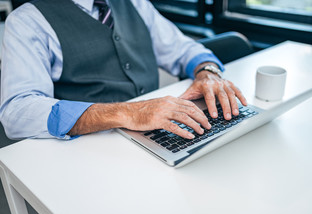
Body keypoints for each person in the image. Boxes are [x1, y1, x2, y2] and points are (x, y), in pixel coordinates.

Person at [0, 0, 247, 141]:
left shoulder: (136, 3)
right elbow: (17, 110)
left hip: (156, 136)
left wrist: (208, 72)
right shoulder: (26, 21)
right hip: (90, 150)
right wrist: (128, 112)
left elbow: (182, 49)